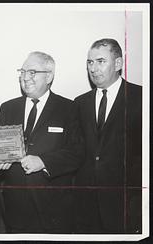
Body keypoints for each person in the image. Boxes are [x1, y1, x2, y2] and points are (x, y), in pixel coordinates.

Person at [0, 51, 83, 233]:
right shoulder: (7, 108)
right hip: (15, 210)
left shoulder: (69, 108)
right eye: (22, 71)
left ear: (49, 76)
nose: (25, 78)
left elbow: (77, 153)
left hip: (54, 210)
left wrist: (43, 161)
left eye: (32, 72)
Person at [73, 38, 142, 233]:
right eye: (90, 62)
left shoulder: (141, 98)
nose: (93, 68)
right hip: (86, 208)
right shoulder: (79, 103)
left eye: (100, 61)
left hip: (126, 207)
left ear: (118, 64)